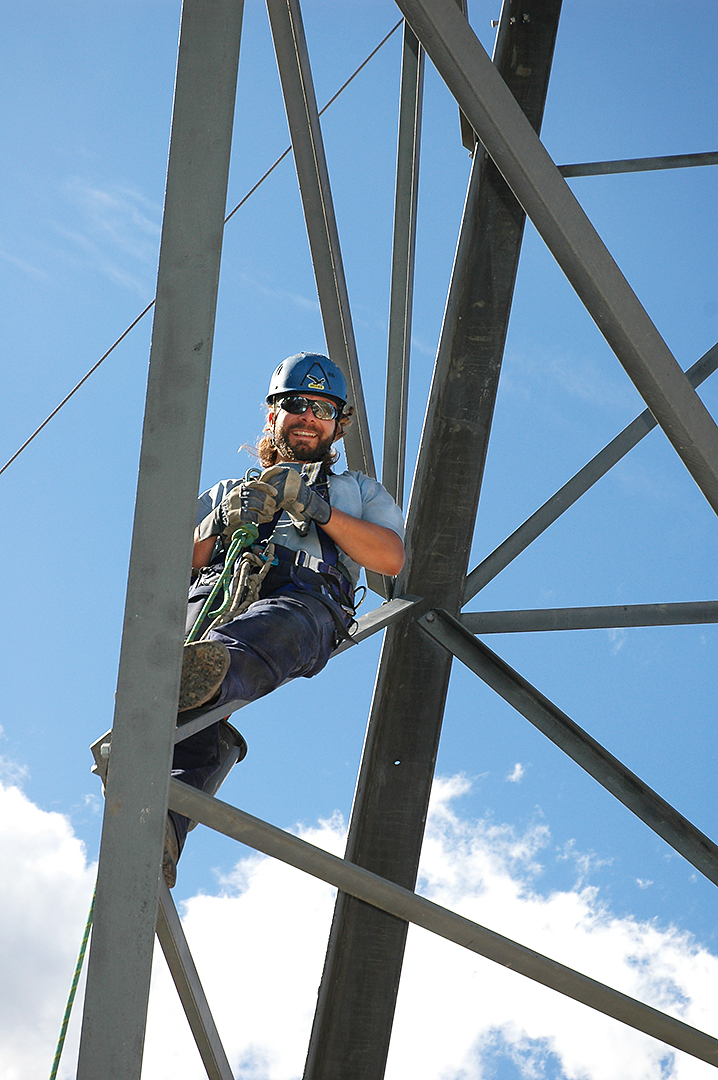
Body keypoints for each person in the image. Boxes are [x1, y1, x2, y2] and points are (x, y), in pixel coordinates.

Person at [164, 352, 405, 885]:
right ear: (273, 415)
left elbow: (389, 558)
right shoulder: (229, 490)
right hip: (217, 597)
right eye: (297, 405)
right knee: (186, 727)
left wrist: (318, 511)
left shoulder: (357, 492)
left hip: (305, 597)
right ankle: (161, 831)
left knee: (271, 632)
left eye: (323, 409)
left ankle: (207, 677)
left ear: (337, 427)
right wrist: (222, 523)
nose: (309, 417)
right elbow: (171, 565)